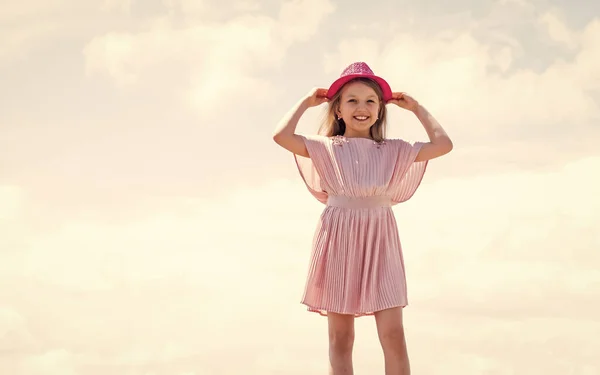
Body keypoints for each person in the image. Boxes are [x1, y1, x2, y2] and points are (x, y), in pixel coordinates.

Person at [272, 62, 453, 375]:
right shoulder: (325, 148)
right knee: (341, 338)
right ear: (338, 110)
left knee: (394, 334)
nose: (361, 108)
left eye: (370, 101)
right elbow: (281, 136)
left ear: (380, 110)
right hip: (338, 241)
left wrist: (417, 108)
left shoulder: (394, 150)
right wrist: (305, 102)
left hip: (381, 243)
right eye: (351, 100)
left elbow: (443, 145)